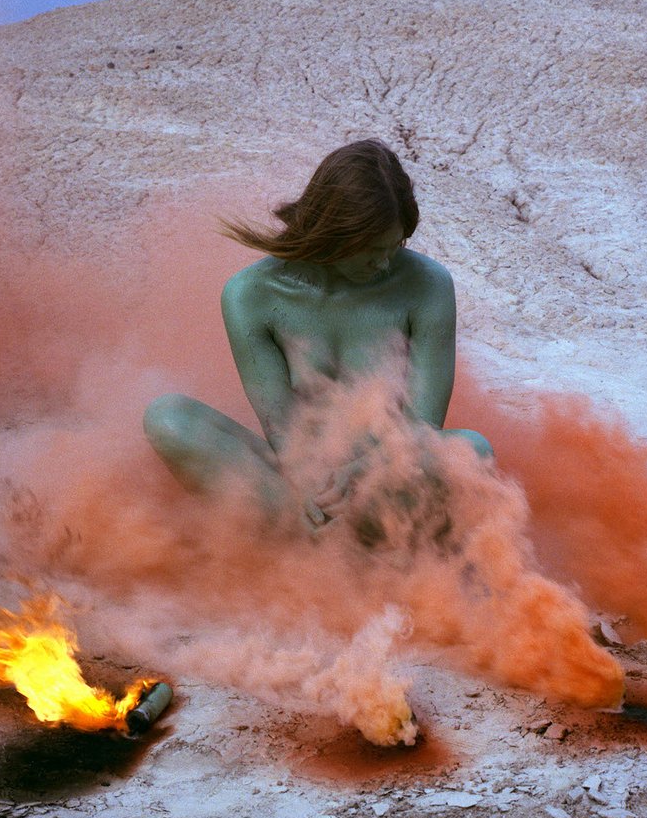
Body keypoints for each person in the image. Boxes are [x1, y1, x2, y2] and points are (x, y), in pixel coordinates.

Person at [143, 139, 491, 530]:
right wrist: (314, 492)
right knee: (168, 418)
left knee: (473, 450)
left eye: (395, 246)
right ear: (334, 232)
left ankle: (322, 545)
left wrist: (363, 472)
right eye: (371, 249)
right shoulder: (251, 295)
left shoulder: (427, 285)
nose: (384, 263)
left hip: (391, 485)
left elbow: (423, 431)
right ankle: (325, 540)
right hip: (301, 490)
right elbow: (285, 437)